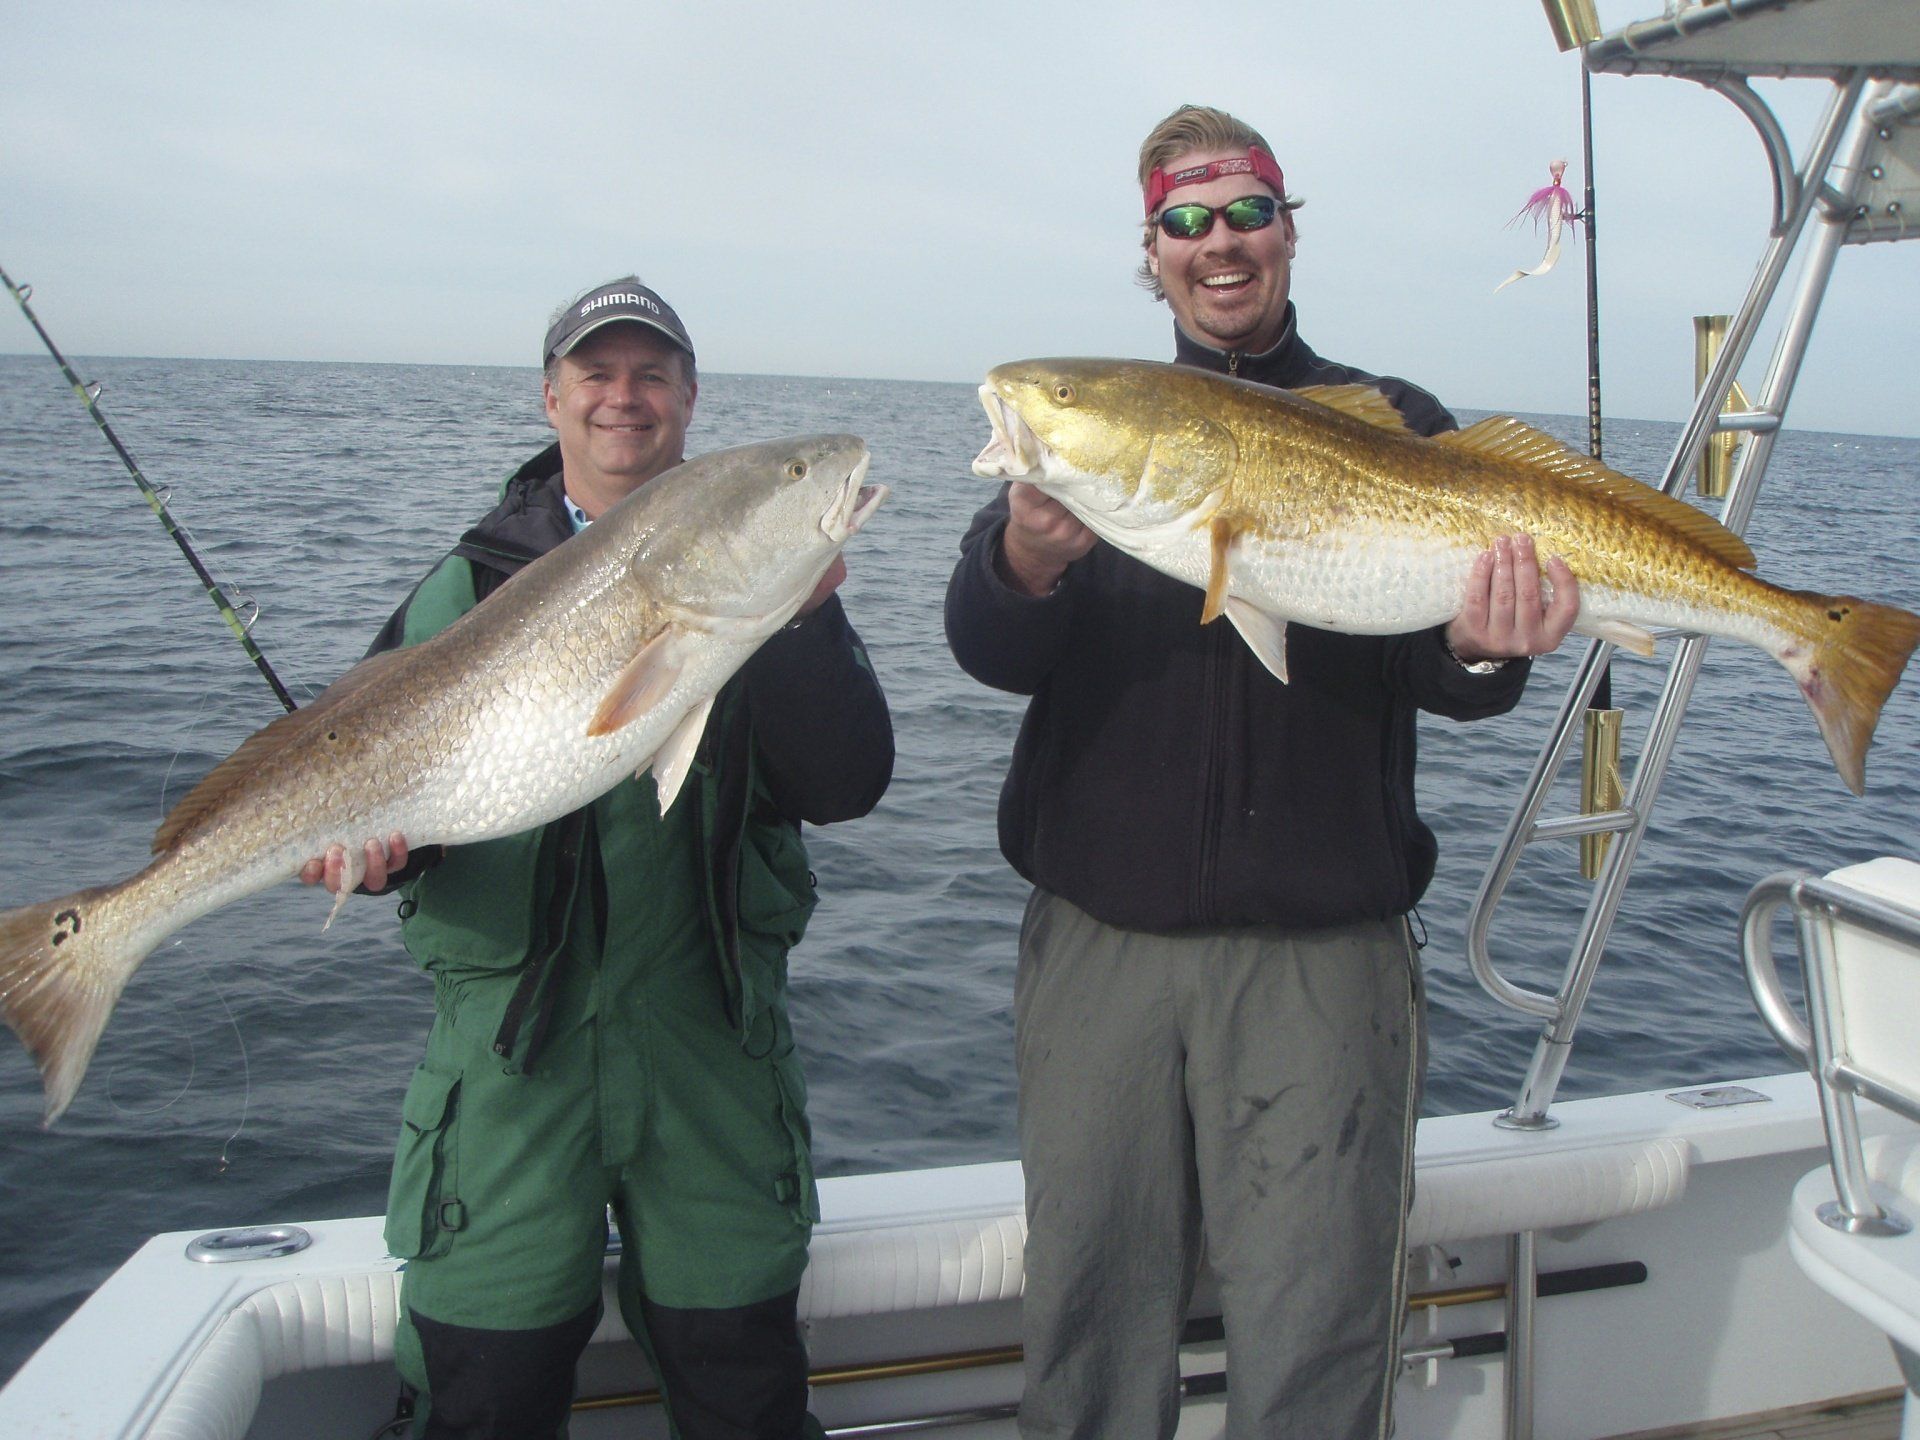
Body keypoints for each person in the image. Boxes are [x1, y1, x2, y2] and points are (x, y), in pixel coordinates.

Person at [944, 106, 1579, 1439]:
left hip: (1322, 957)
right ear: (1152, 253)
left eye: (1244, 213)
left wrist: (1479, 650)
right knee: (1089, 1318)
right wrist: (1028, 561)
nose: (1216, 243)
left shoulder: (1397, 423)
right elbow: (990, 649)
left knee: (1318, 1326)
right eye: (1184, 221)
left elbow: (1446, 677)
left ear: (1288, 229)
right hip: (1100, 956)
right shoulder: (1105, 436)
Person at [305, 276, 893, 1440]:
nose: (624, 398)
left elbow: (844, 785)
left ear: (686, 398)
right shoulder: (465, 584)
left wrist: (805, 619)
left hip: (712, 1055)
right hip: (512, 1074)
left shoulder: (760, 575)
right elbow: (382, 797)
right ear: (552, 398)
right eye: (597, 374)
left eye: (651, 374)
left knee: (747, 1399)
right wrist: (367, 857)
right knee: (484, 1397)